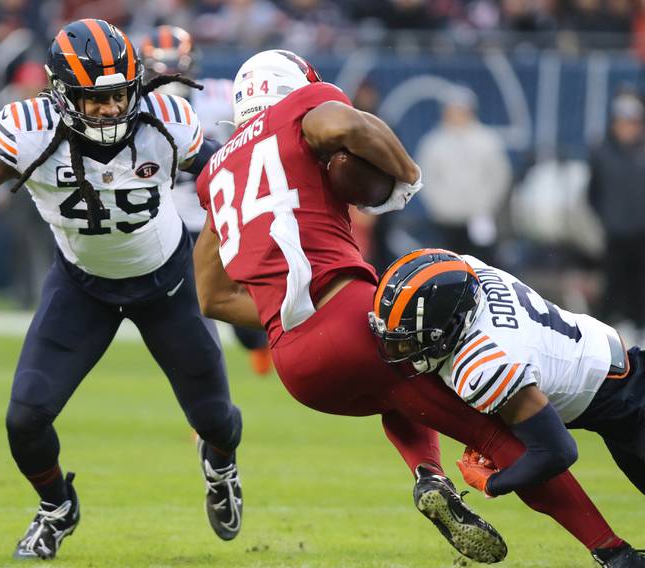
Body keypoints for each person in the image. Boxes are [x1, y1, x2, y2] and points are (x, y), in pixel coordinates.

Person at [192, 49, 643, 567]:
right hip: (351, 312)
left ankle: (429, 476)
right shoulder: (305, 106)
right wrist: (407, 175)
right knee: (492, 429)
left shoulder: (217, 173)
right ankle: (614, 552)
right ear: (295, 86)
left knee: (398, 395)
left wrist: (279, 317)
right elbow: (348, 125)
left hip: (296, 362)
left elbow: (214, 297)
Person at [0, 19, 243, 560]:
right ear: (60, 93)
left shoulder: (167, 117)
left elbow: (222, 170)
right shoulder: (30, 127)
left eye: (119, 94)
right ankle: (57, 507)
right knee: (24, 419)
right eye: (92, 98)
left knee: (217, 419)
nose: (108, 108)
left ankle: (220, 466)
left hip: (167, 283)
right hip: (83, 287)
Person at [370, 248, 645, 503]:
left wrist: (494, 484)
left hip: (628, 403)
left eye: (409, 341)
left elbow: (556, 451)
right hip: (619, 393)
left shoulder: (483, 364)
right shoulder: (469, 272)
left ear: (448, 325)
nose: (400, 350)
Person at [139, 25, 272, 375]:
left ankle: (264, 350)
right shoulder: (132, 109)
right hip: (168, 225)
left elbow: (261, 126)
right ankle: (205, 385)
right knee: (191, 311)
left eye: (175, 66)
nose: (169, 76)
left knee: (238, 315)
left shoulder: (220, 95)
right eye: (160, 68)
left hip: (220, 218)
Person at [416, 84, 511, 264]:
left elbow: (499, 176)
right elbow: (426, 178)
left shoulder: (487, 141)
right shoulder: (434, 143)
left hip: (478, 216)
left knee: (481, 264)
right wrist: (439, 206)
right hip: (446, 219)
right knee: (447, 265)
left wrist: (486, 204)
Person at [588, 92, 645, 341]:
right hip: (615, 231)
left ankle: (640, 324)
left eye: (632, 122)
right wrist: (608, 217)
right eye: (623, 122)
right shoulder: (603, 153)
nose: (627, 128)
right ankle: (611, 331)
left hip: (642, 231)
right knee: (613, 282)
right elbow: (593, 193)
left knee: (640, 282)